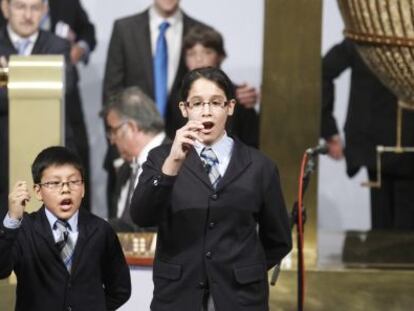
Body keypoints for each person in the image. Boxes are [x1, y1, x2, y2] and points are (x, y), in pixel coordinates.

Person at [130, 67, 292, 310]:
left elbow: (278, 239)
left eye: (216, 102)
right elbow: (141, 216)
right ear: (185, 108)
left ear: (230, 107)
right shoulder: (160, 157)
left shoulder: (260, 166)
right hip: (178, 295)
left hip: (239, 298)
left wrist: (244, 270)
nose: (206, 111)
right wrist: (173, 163)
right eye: (197, 103)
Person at [102, 0, 211, 214]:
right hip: (129, 155)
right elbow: (111, 97)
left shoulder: (199, 32)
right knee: (123, 231)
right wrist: (120, 151)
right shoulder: (125, 29)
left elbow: (210, 86)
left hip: (185, 156)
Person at [0, 146, 131, 310]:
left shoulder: (101, 230)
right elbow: (1, 269)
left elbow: (120, 289)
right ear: (38, 191)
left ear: (83, 188)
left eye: (74, 182)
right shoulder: (24, 228)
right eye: (54, 183)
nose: (65, 189)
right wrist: (12, 220)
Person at [321, 38, 414, 229]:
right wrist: (329, 129)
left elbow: (323, 70)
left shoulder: (367, 34)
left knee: (385, 232)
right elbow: (323, 71)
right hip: (382, 149)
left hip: (376, 147)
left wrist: (330, 131)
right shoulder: (366, 35)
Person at [0, 0, 76, 216]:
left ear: (44, 11)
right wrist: (35, 81)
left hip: (50, 147)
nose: (27, 15)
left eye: (34, 8)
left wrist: (7, 78)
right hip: (4, 154)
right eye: (20, 7)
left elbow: (62, 88)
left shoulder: (57, 45)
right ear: (5, 8)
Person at [100, 86, 168, 231]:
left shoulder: (174, 161)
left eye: (113, 130)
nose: (112, 140)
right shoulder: (126, 168)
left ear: (131, 127)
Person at [183, 25, 260, 147]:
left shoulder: (241, 97)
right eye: (191, 53)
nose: (199, 59)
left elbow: (252, 145)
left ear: (220, 56)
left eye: (207, 52)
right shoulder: (176, 97)